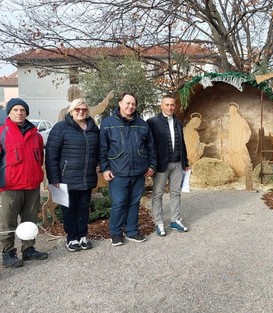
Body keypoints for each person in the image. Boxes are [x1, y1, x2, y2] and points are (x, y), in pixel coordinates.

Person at [99, 92, 156, 246]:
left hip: (139, 173)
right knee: (119, 203)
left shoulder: (142, 124)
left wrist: (152, 165)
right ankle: (116, 233)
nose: (130, 106)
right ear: (119, 103)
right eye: (127, 103)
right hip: (118, 173)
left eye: (133, 104)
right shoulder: (108, 123)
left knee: (134, 203)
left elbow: (151, 147)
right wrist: (105, 169)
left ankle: (132, 231)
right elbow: (102, 149)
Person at [45, 98, 99, 252]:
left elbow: (98, 151)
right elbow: (51, 156)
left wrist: (99, 164)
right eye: (77, 109)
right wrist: (53, 179)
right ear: (71, 111)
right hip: (63, 179)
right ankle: (71, 238)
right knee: (68, 209)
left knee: (83, 208)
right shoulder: (60, 128)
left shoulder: (93, 129)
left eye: (84, 109)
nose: (81, 112)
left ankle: (83, 236)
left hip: (85, 178)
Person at [0, 98, 48, 267]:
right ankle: (8, 253)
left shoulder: (36, 135)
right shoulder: (2, 132)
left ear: (27, 113)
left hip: (32, 186)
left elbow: (39, 159)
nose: (19, 113)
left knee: (30, 220)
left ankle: (29, 249)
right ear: (9, 113)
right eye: (15, 110)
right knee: (8, 221)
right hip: (11, 187)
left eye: (22, 110)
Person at [147, 95, 190, 236]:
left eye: (172, 105)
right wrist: (151, 164)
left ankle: (175, 220)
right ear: (161, 106)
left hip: (177, 163)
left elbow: (182, 143)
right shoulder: (152, 122)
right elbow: (149, 145)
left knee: (175, 193)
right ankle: (159, 222)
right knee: (158, 194)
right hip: (160, 164)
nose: (170, 107)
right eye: (167, 105)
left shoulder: (178, 122)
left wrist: (186, 163)